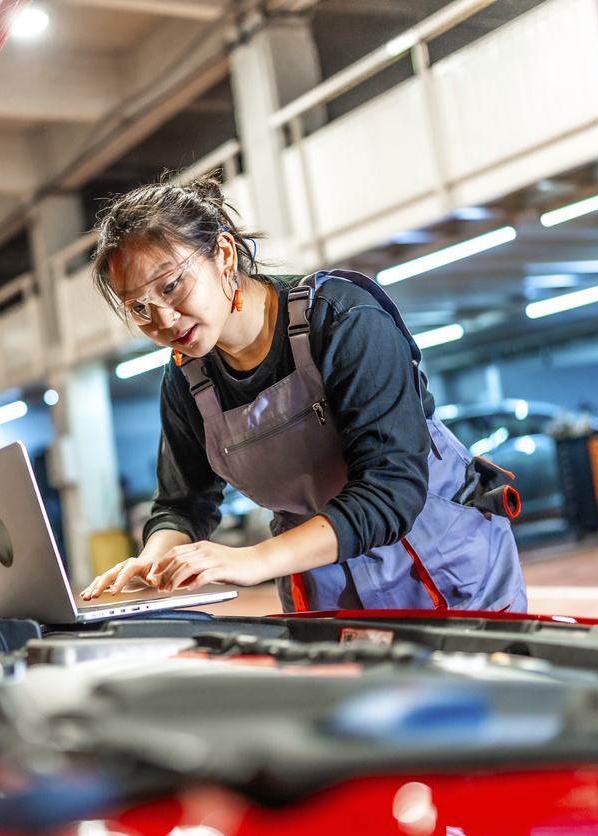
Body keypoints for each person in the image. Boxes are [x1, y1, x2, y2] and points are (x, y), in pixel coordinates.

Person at [78, 178, 526, 613]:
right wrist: (154, 558)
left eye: (171, 284)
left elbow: (390, 490)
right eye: (138, 307)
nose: (163, 318)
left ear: (225, 255)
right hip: (326, 583)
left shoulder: (344, 320)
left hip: (444, 566)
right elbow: (183, 502)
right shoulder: (185, 380)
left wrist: (254, 559)